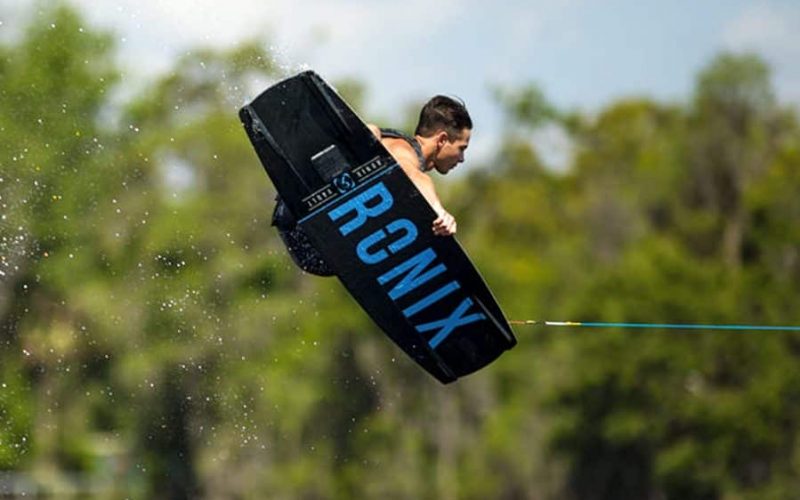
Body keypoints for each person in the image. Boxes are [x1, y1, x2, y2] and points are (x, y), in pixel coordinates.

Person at [272, 95, 472, 276]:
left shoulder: (394, 145)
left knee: (372, 138)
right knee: (372, 132)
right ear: (443, 139)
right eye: (461, 148)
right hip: (305, 227)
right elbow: (412, 174)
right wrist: (438, 210)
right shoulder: (403, 150)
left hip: (309, 241)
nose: (462, 159)